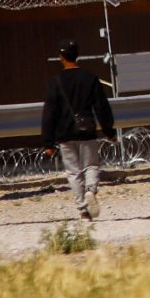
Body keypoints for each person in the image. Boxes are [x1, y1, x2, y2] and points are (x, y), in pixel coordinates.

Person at [40, 40, 117, 220]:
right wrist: (109, 130)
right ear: (77, 55)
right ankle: (91, 189)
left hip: (65, 134)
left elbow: (49, 112)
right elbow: (101, 106)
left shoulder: (55, 82)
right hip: (87, 130)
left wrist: (48, 142)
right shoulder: (90, 77)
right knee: (91, 165)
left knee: (73, 172)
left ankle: (83, 209)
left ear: (60, 58)